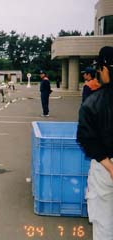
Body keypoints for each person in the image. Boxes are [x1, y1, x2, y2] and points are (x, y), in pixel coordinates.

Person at [77, 46, 113, 240]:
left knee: (104, 223)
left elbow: (85, 137)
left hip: (105, 168)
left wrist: (108, 165)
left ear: (104, 69)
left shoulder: (93, 102)